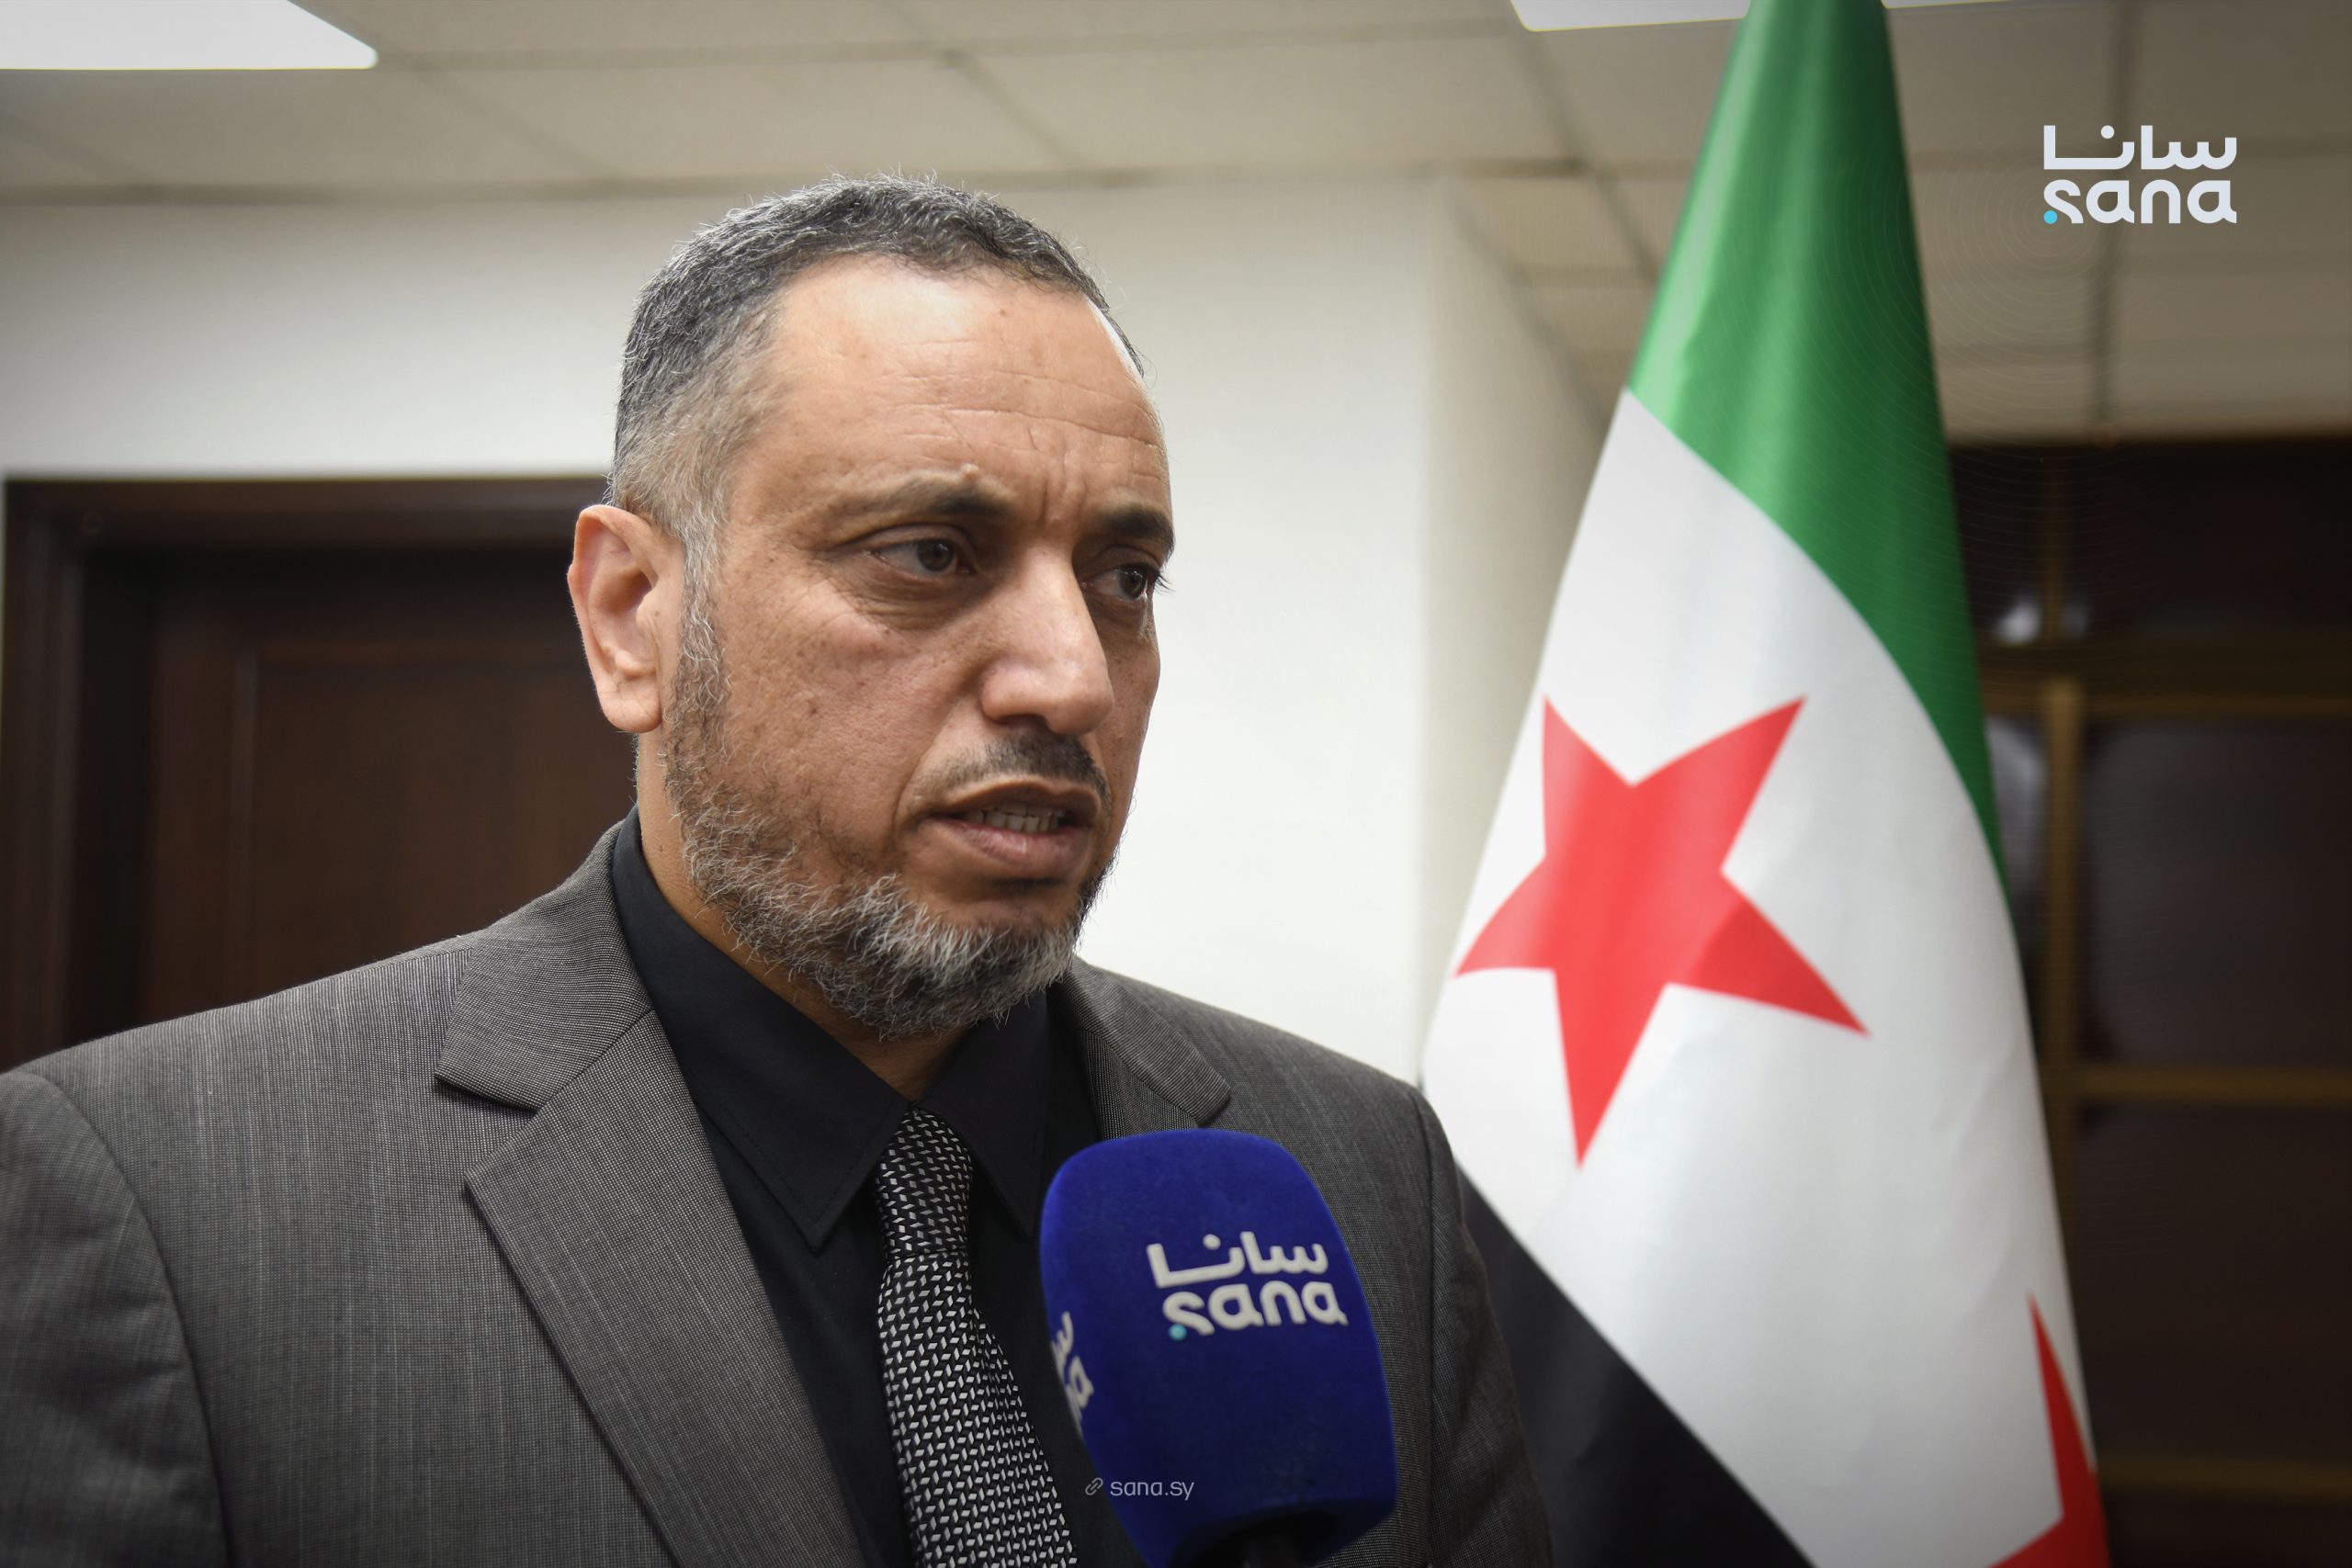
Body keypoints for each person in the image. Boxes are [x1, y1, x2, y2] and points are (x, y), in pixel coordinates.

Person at [0, 176, 1546, 1567]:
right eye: (929, 553)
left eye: (1124, 578)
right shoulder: (165, 1204)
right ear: (631, 617)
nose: (1073, 675)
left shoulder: (1361, 1176)